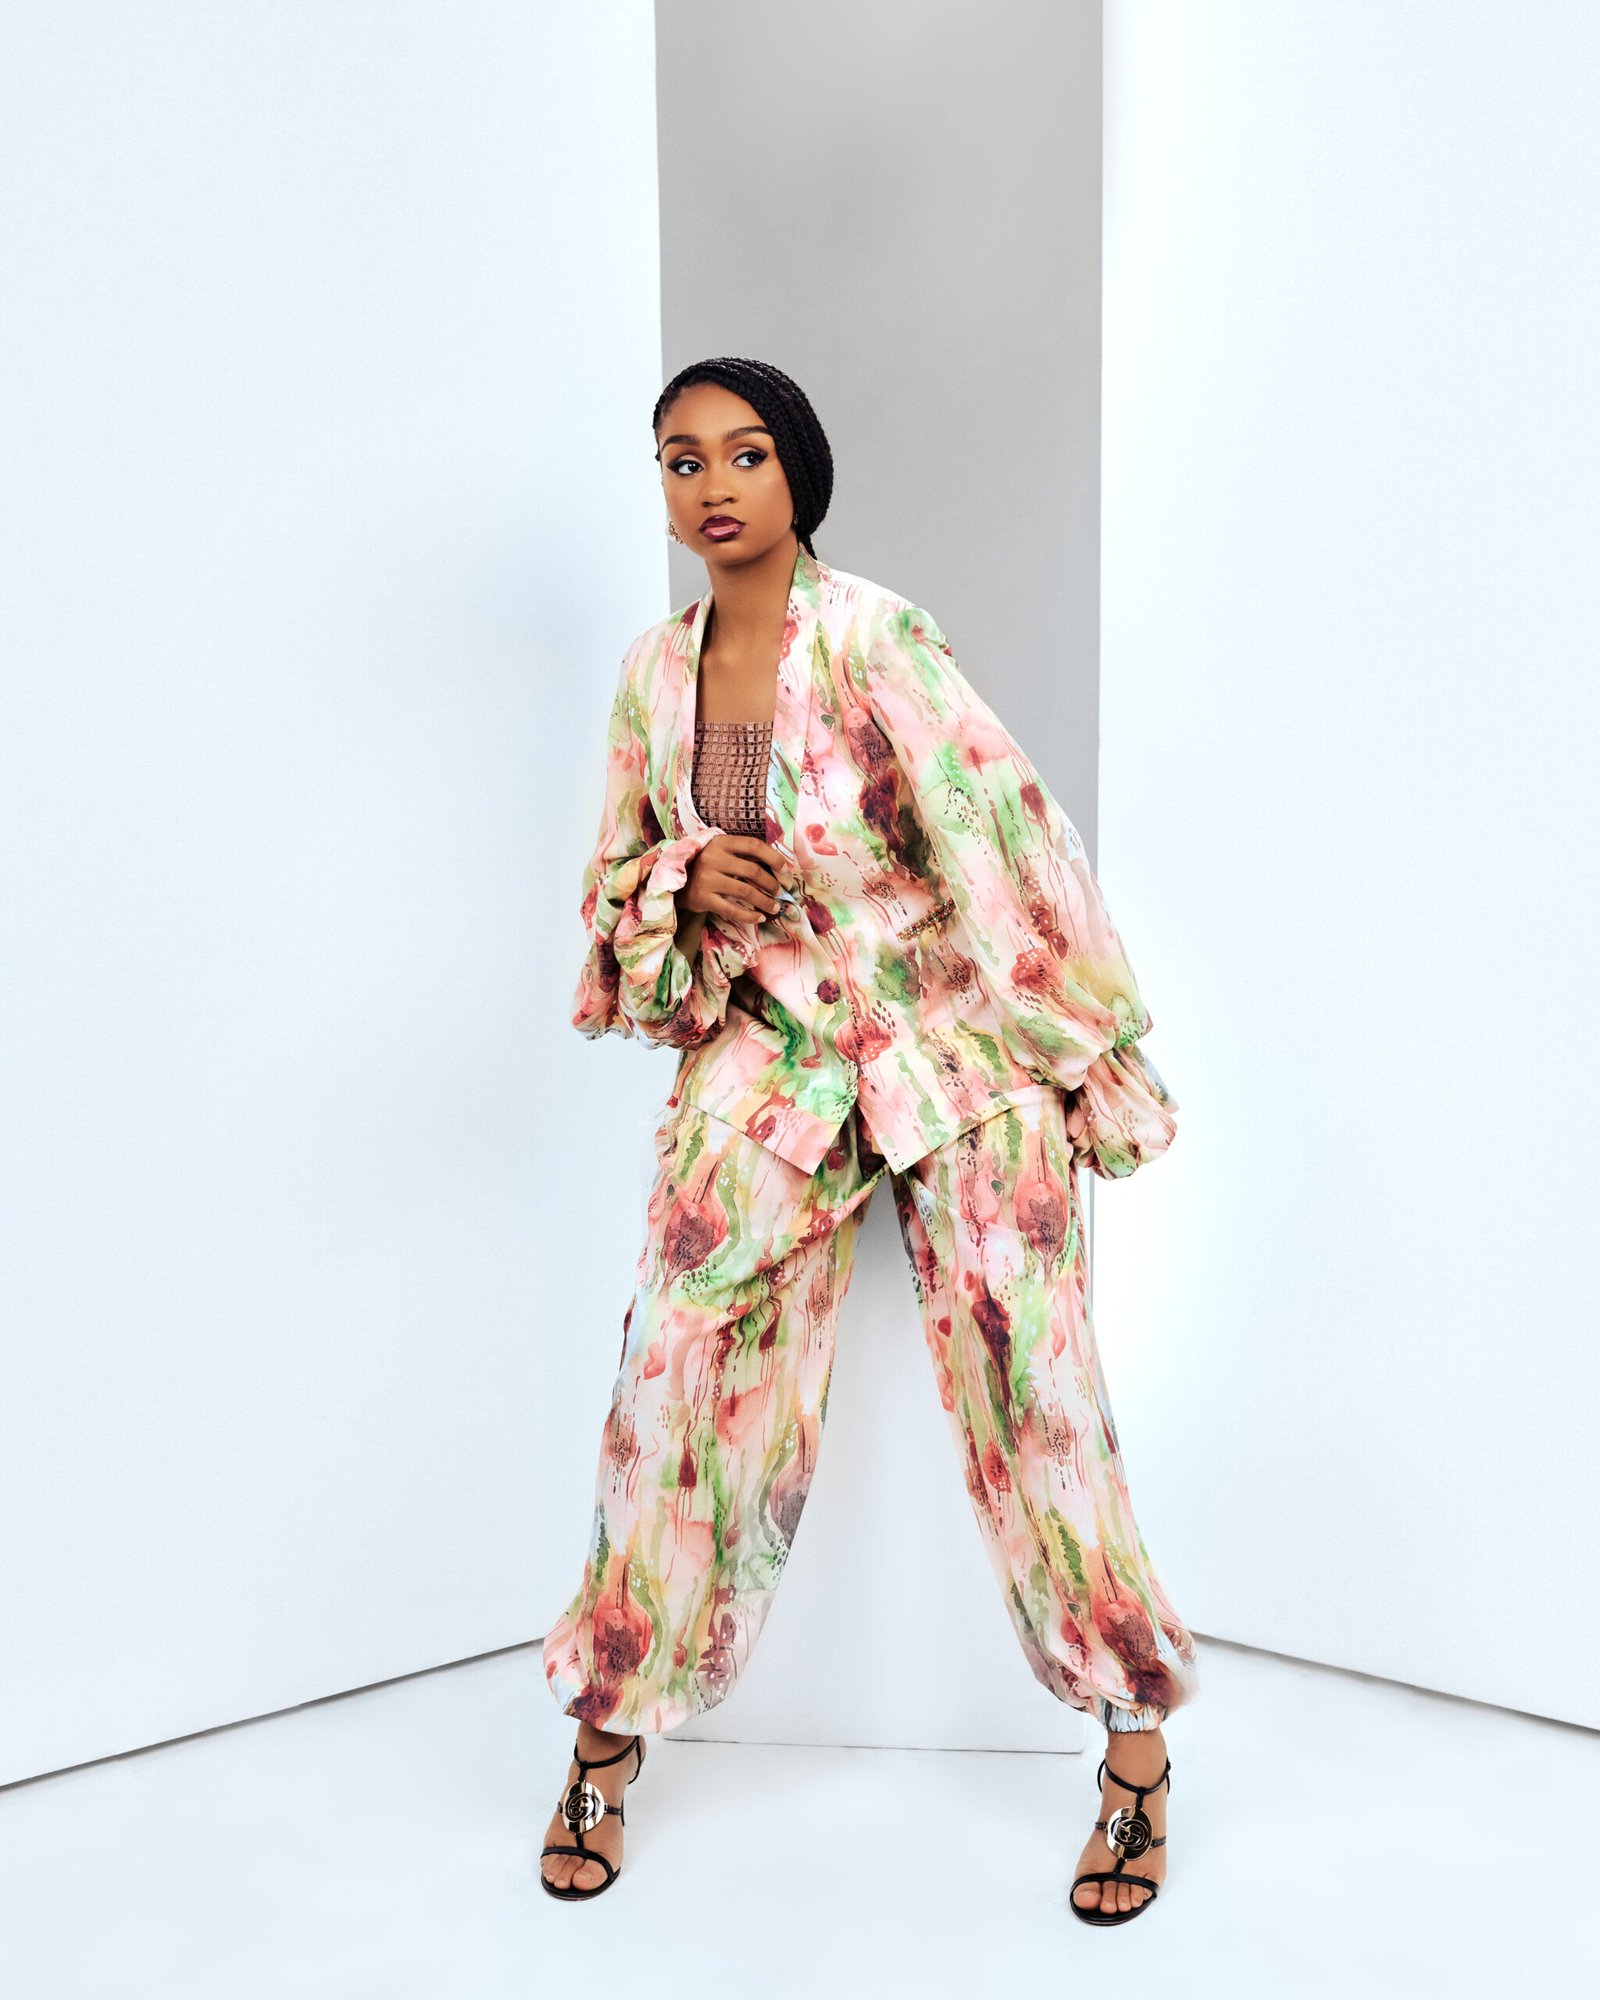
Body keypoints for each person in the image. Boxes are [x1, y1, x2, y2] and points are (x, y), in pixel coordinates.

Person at [538, 356, 1199, 1924]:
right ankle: (605, 1730)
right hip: (769, 1058)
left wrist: (1085, 1051)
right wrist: (680, 885)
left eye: (745, 454)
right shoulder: (652, 675)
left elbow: (1012, 838)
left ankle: (1134, 1744)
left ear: (798, 473)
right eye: (681, 460)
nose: (713, 486)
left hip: (948, 1045)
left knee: (1037, 1385)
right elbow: (617, 882)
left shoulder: (878, 635)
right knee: (671, 1376)